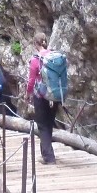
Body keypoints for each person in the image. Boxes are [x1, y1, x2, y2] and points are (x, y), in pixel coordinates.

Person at [25, 34, 62, 165]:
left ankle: (49, 157)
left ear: (36, 44)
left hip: (41, 96)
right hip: (55, 96)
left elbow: (31, 81)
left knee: (42, 126)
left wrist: (28, 94)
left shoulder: (35, 60)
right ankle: (45, 152)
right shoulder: (55, 56)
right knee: (49, 124)